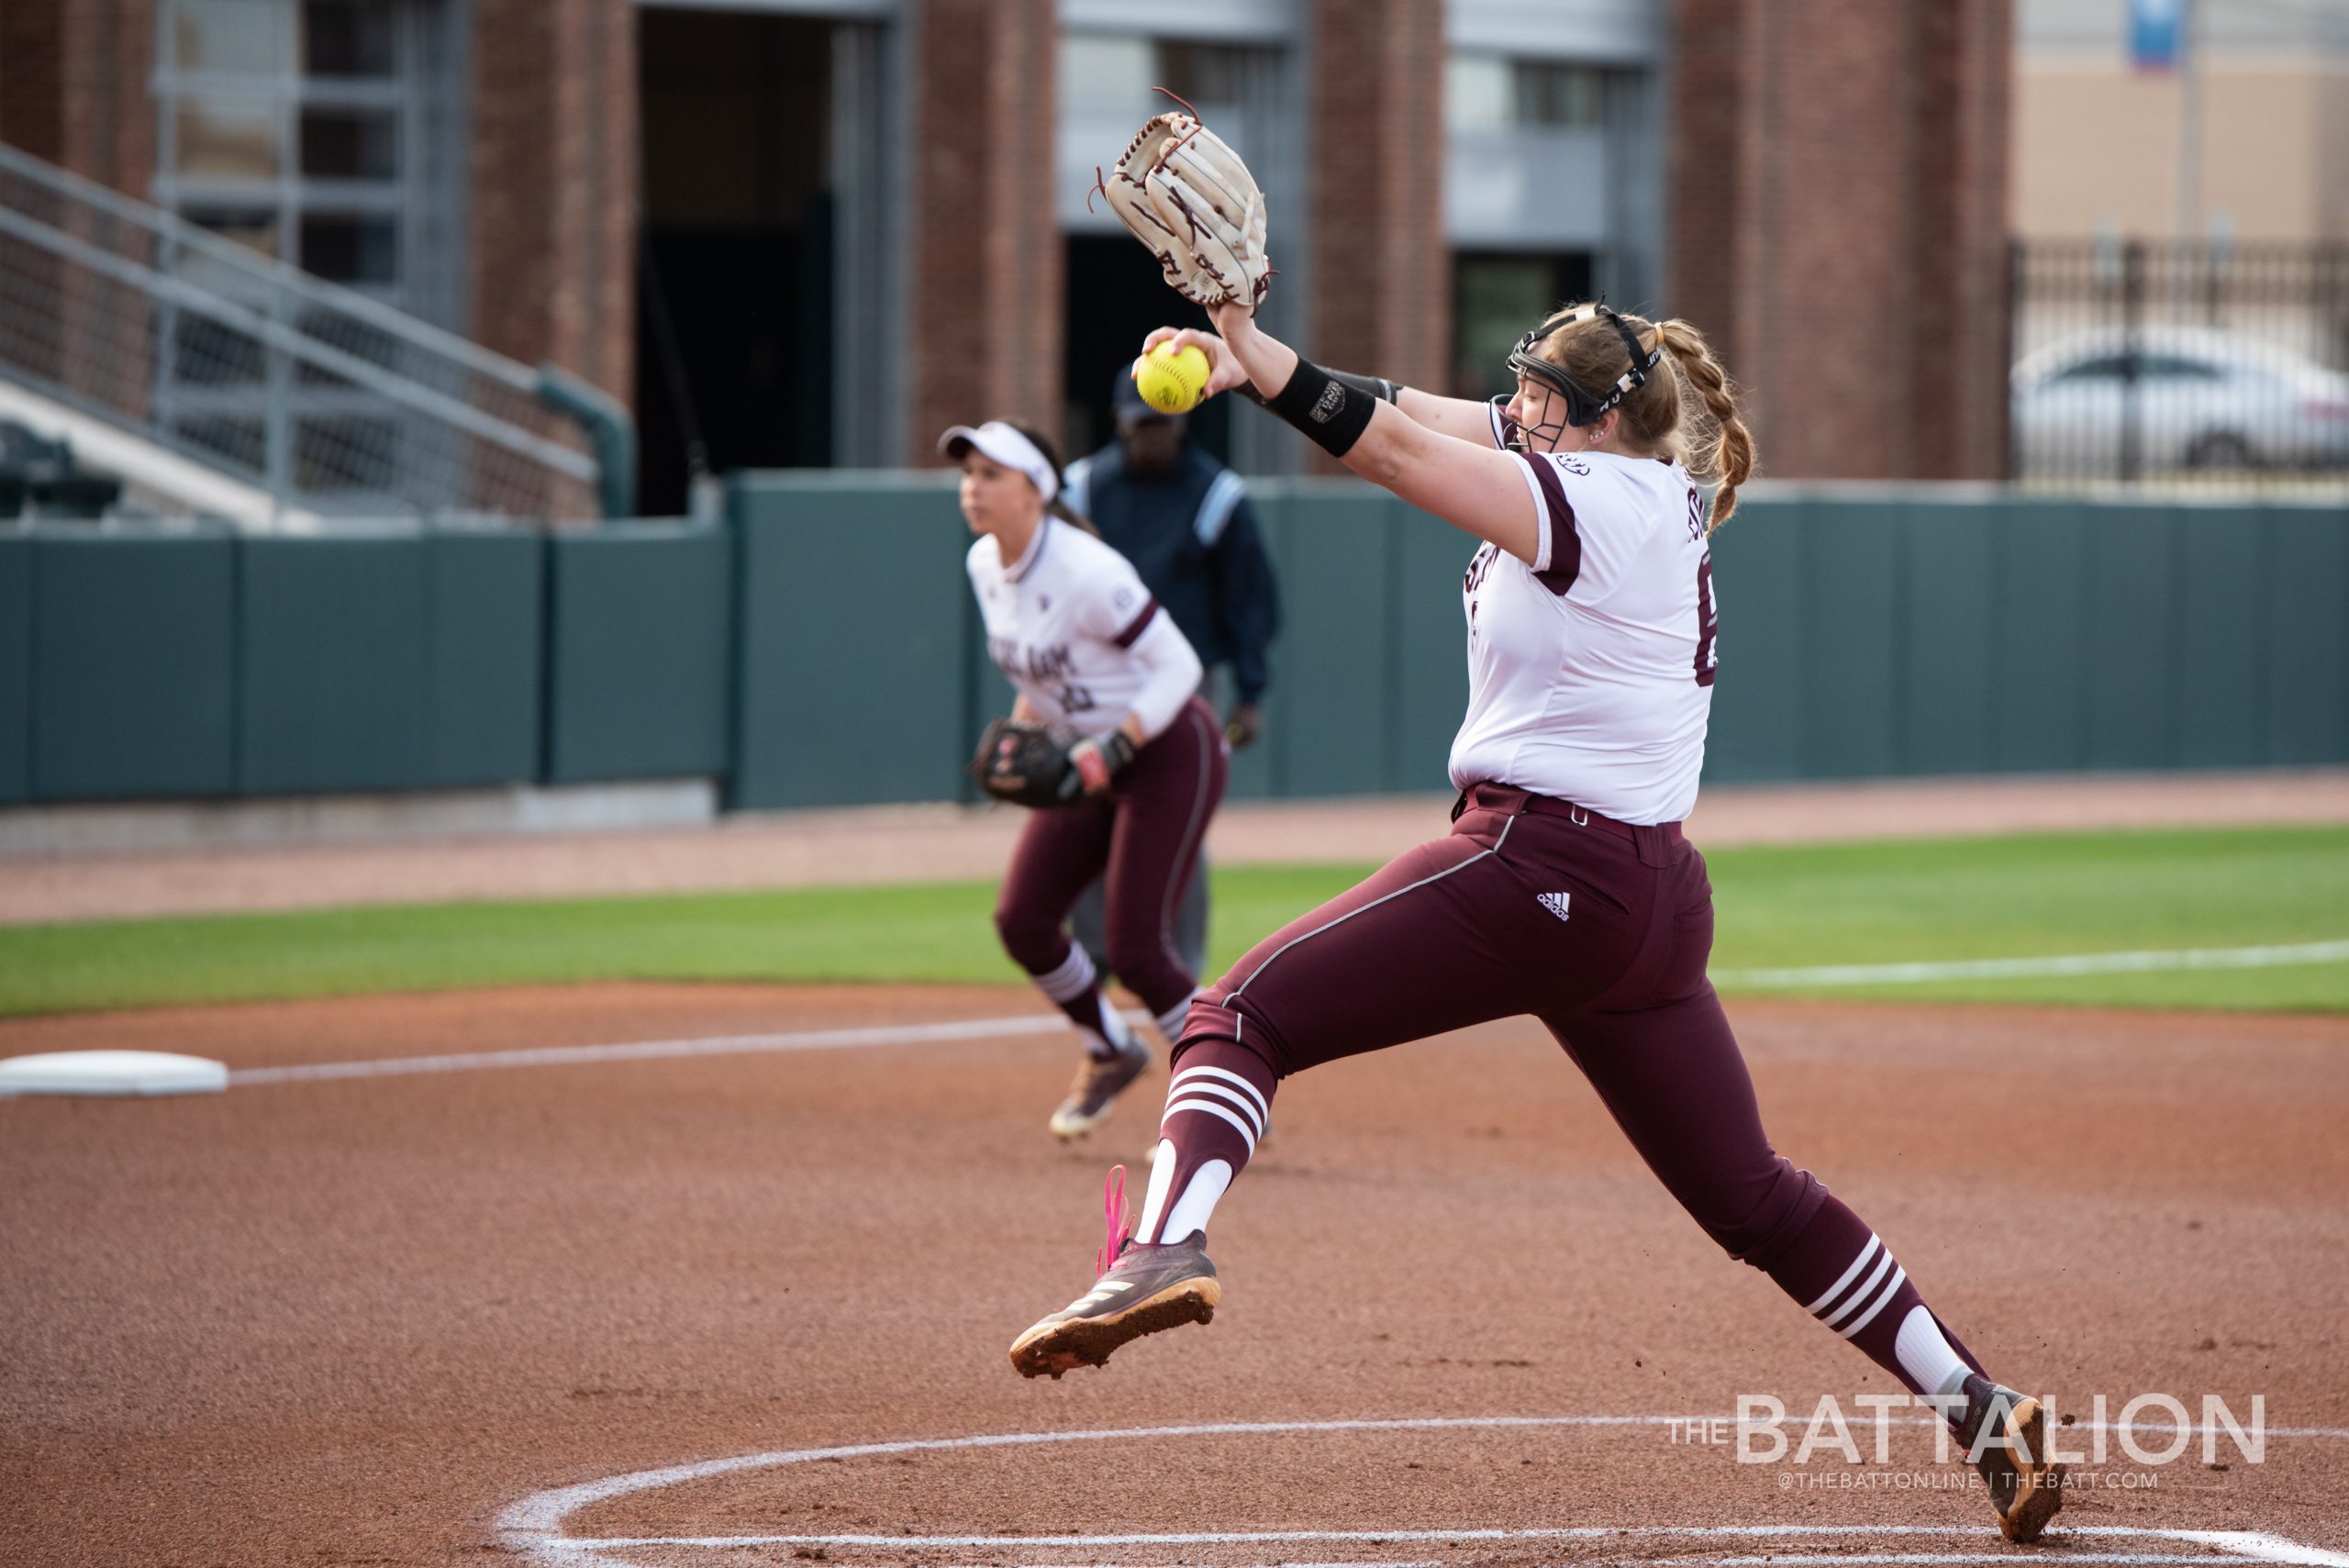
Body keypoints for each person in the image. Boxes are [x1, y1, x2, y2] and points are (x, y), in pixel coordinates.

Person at [1006, 306, 2066, 1544]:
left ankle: (1162, 1250)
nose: (1522, 409)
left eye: (1547, 396)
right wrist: (1255, 362)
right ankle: (1980, 1404)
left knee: (1234, 1014)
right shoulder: (1627, 475)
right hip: (1650, 895)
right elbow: (1413, 412)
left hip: (1540, 861)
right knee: (1754, 1199)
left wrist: (1254, 340)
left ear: (1607, 417)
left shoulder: (1606, 500)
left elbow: (1396, 456)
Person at [948, 418, 1230, 1141]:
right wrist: (1024, 733)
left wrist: (1117, 741)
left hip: (1167, 747)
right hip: (1084, 755)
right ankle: (1110, 1047)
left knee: (1138, 946)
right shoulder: (985, 564)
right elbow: (1035, 671)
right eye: (968, 473)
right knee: (1024, 921)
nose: (971, 488)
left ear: (1036, 491)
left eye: (989, 474)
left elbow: (1179, 666)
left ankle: (1226, 1092)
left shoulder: (1088, 571)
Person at [1063, 373, 1282, 981]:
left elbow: (1250, 600)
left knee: (1177, 821)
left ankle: (1181, 962)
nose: (1152, 436)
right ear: (1119, 422)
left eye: (1162, 423)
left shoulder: (1217, 494)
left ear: (1182, 422)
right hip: (1094, 678)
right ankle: (1093, 960)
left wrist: (1252, 691)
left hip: (1186, 681)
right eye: (1142, 424)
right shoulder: (1082, 489)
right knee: (1080, 810)